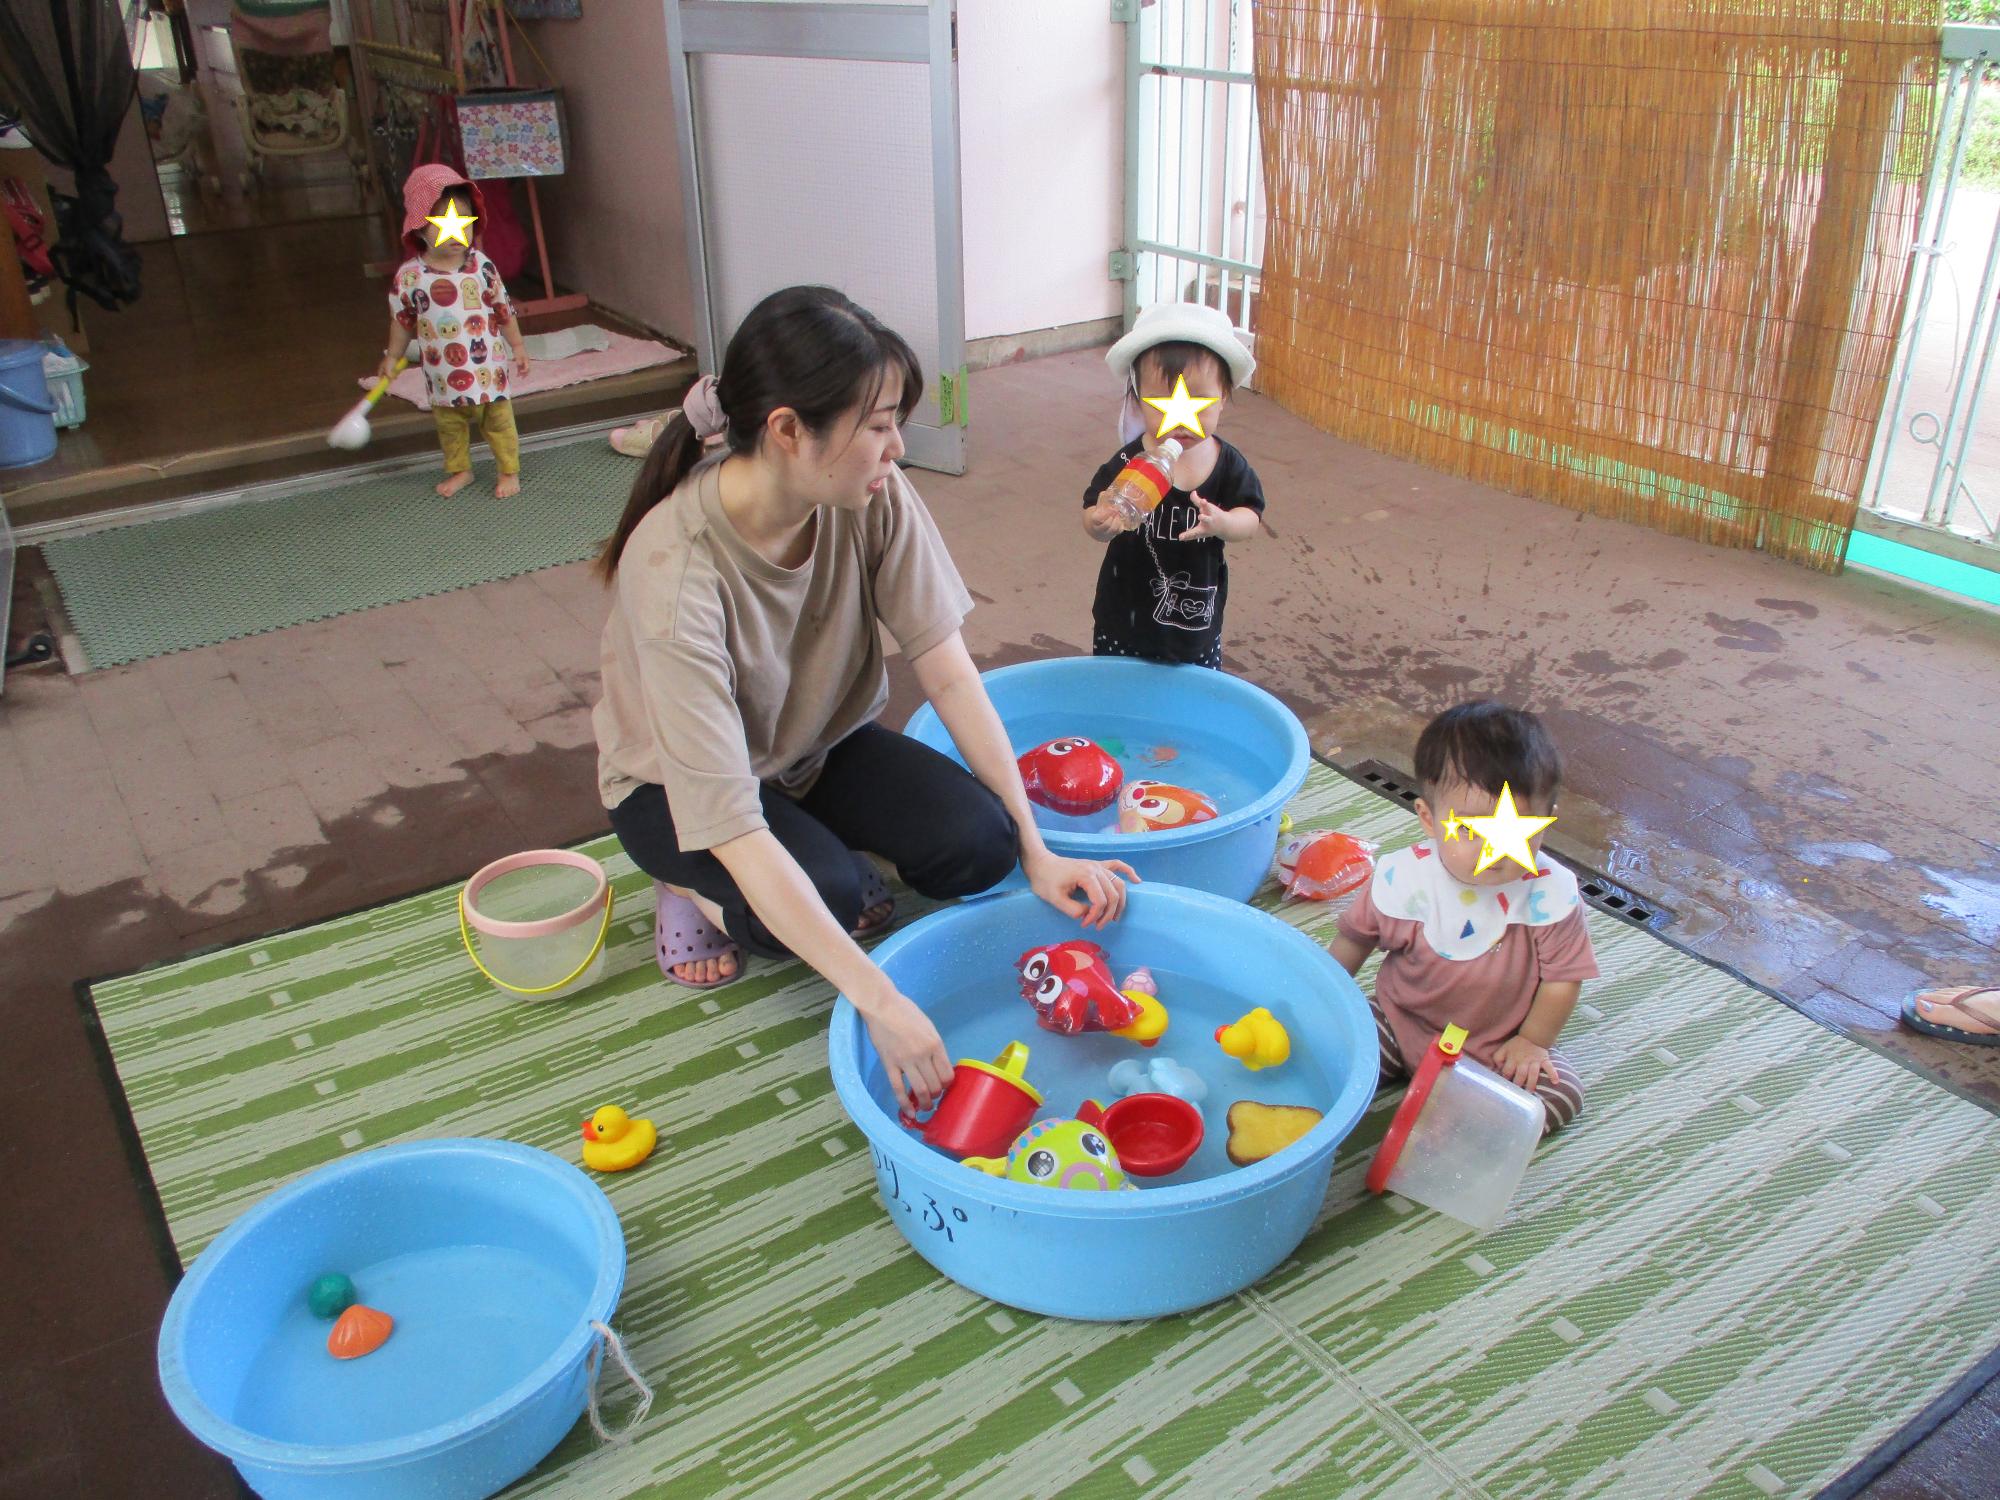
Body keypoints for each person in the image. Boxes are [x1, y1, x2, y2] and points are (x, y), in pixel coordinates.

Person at [592, 285, 1136, 1111]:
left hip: (815, 750)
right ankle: (690, 889)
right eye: (878, 425)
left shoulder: (866, 493)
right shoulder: (676, 574)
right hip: (681, 792)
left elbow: (948, 669)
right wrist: (880, 1000)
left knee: (981, 845)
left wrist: (1037, 849)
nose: (897, 447)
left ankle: (828, 849)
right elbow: (736, 822)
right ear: (786, 431)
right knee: (824, 907)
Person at [1328, 701, 1595, 1134]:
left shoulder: (1551, 894)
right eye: (1470, 830)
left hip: (1497, 1044)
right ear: (1429, 819)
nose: (1495, 851)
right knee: (1329, 1050)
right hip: (1401, 1021)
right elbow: (1354, 940)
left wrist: (1531, 1042)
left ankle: (1460, 1119)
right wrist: (1326, 999)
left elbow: (1562, 979)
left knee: (1562, 1095)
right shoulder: (1404, 879)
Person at [1082, 302, 1267, 668]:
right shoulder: (1129, 462)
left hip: (1194, 623)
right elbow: (1093, 510)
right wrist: (1099, 522)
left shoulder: (1227, 464)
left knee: (1190, 701)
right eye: (1160, 402)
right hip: (1124, 618)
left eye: (1199, 402)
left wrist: (1226, 523)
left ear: (1224, 397)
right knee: (1120, 697)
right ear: (1137, 401)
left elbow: (1252, 516)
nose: (1180, 419)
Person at [380, 164, 531, 499]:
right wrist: (393, 356)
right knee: (450, 427)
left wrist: (517, 346)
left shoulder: (482, 266)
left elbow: (503, 310)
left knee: (500, 424)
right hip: (442, 374)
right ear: (419, 229)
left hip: (488, 371)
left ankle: (509, 470)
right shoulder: (411, 276)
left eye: (463, 223)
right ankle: (460, 469)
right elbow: (402, 320)